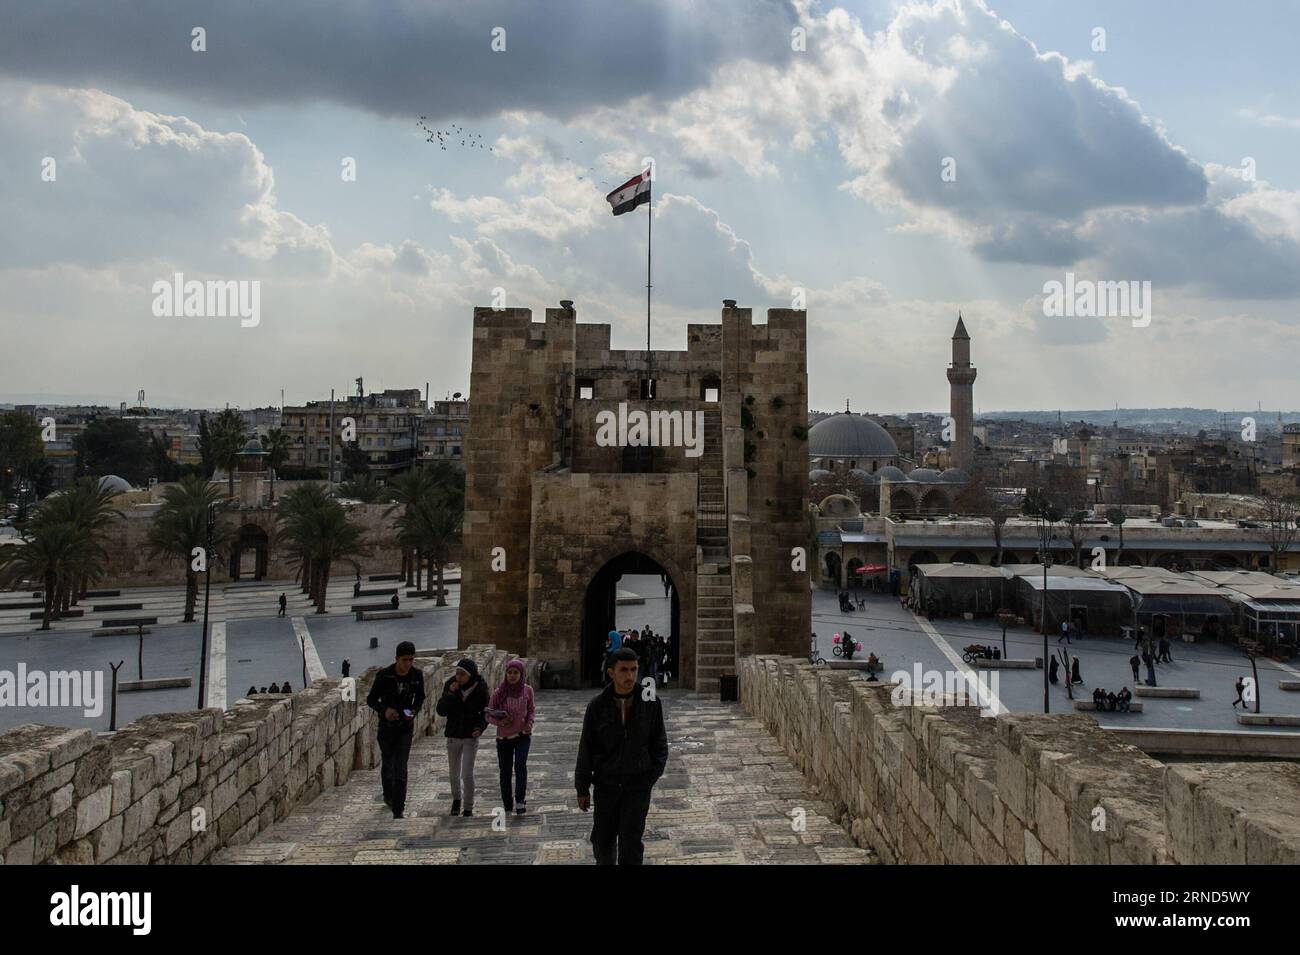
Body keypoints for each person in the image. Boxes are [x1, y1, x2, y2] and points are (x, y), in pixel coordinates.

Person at [575, 647, 668, 865]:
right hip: (606, 784)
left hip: (637, 785)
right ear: (611, 673)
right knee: (603, 842)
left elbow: (659, 744)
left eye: (634, 670)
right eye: (624, 670)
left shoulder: (651, 703)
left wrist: (649, 777)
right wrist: (582, 787)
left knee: (631, 842)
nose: (630, 676)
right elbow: (586, 747)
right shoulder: (597, 706)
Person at [365, 640, 424, 820]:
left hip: (405, 727)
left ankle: (399, 809)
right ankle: (388, 796)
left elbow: (420, 698)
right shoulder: (385, 676)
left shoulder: (417, 675)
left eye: (411, 660)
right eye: (404, 660)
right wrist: (386, 710)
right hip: (386, 727)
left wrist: (412, 712)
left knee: (401, 767)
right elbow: (371, 699)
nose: (408, 664)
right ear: (397, 659)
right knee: (388, 764)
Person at [436, 658, 488, 816]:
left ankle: (468, 806)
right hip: (453, 734)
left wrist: (479, 728)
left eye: (462, 674)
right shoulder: (451, 686)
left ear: (470, 675)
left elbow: (485, 712)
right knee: (453, 773)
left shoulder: (480, 688)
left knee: (466, 773)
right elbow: (441, 710)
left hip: (470, 736)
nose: (458, 677)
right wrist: (450, 694)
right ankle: (456, 799)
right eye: (457, 673)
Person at [487, 659, 536, 815]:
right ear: (505, 674)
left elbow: (531, 710)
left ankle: (520, 801)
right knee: (505, 771)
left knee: (521, 765)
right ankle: (507, 803)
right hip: (504, 739)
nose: (512, 676)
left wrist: (530, 723)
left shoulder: (527, 691)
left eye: (516, 672)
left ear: (521, 674)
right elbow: (488, 715)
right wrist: (501, 722)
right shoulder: (499, 693)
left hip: (522, 735)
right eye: (510, 672)